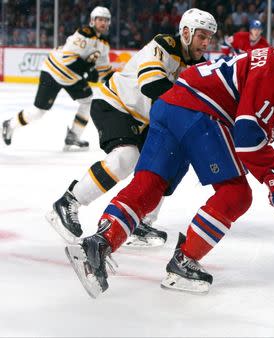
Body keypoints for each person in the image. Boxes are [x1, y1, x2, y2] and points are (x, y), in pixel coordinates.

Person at [64, 25, 274, 298]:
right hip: (197, 112)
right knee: (236, 194)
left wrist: (262, 129)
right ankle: (184, 262)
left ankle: (98, 244)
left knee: (151, 184)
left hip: (169, 106)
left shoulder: (267, 58)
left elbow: (246, 113)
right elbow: (247, 138)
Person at [46, 8, 217, 248]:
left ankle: (140, 221)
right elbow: (152, 85)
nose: (206, 42)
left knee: (162, 165)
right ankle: (68, 202)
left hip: (145, 119)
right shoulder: (163, 46)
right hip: (115, 105)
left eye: (210, 37)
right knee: (126, 157)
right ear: (186, 33)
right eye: (202, 36)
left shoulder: (200, 66)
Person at [2, 6, 113, 151]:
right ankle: (10, 124)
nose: (103, 23)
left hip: (72, 77)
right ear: (93, 21)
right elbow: (68, 60)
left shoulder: (104, 45)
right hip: (54, 71)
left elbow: (103, 70)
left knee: (88, 101)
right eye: (100, 20)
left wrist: (116, 81)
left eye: (106, 20)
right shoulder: (83, 34)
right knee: (38, 111)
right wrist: (88, 72)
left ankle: (73, 135)